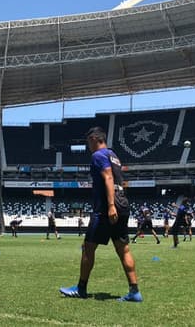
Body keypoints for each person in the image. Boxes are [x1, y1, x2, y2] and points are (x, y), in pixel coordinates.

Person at [60, 126, 142, 302]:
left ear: (95, 139)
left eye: (88, 141)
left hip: (107, 207)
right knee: (123, 248)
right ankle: (134, 291)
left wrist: (111, 205)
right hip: (123, 202)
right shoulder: (114, 155)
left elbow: (108, 177)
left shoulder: (98, 155)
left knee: (88, 247)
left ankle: (81, 289)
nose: (88, 145)